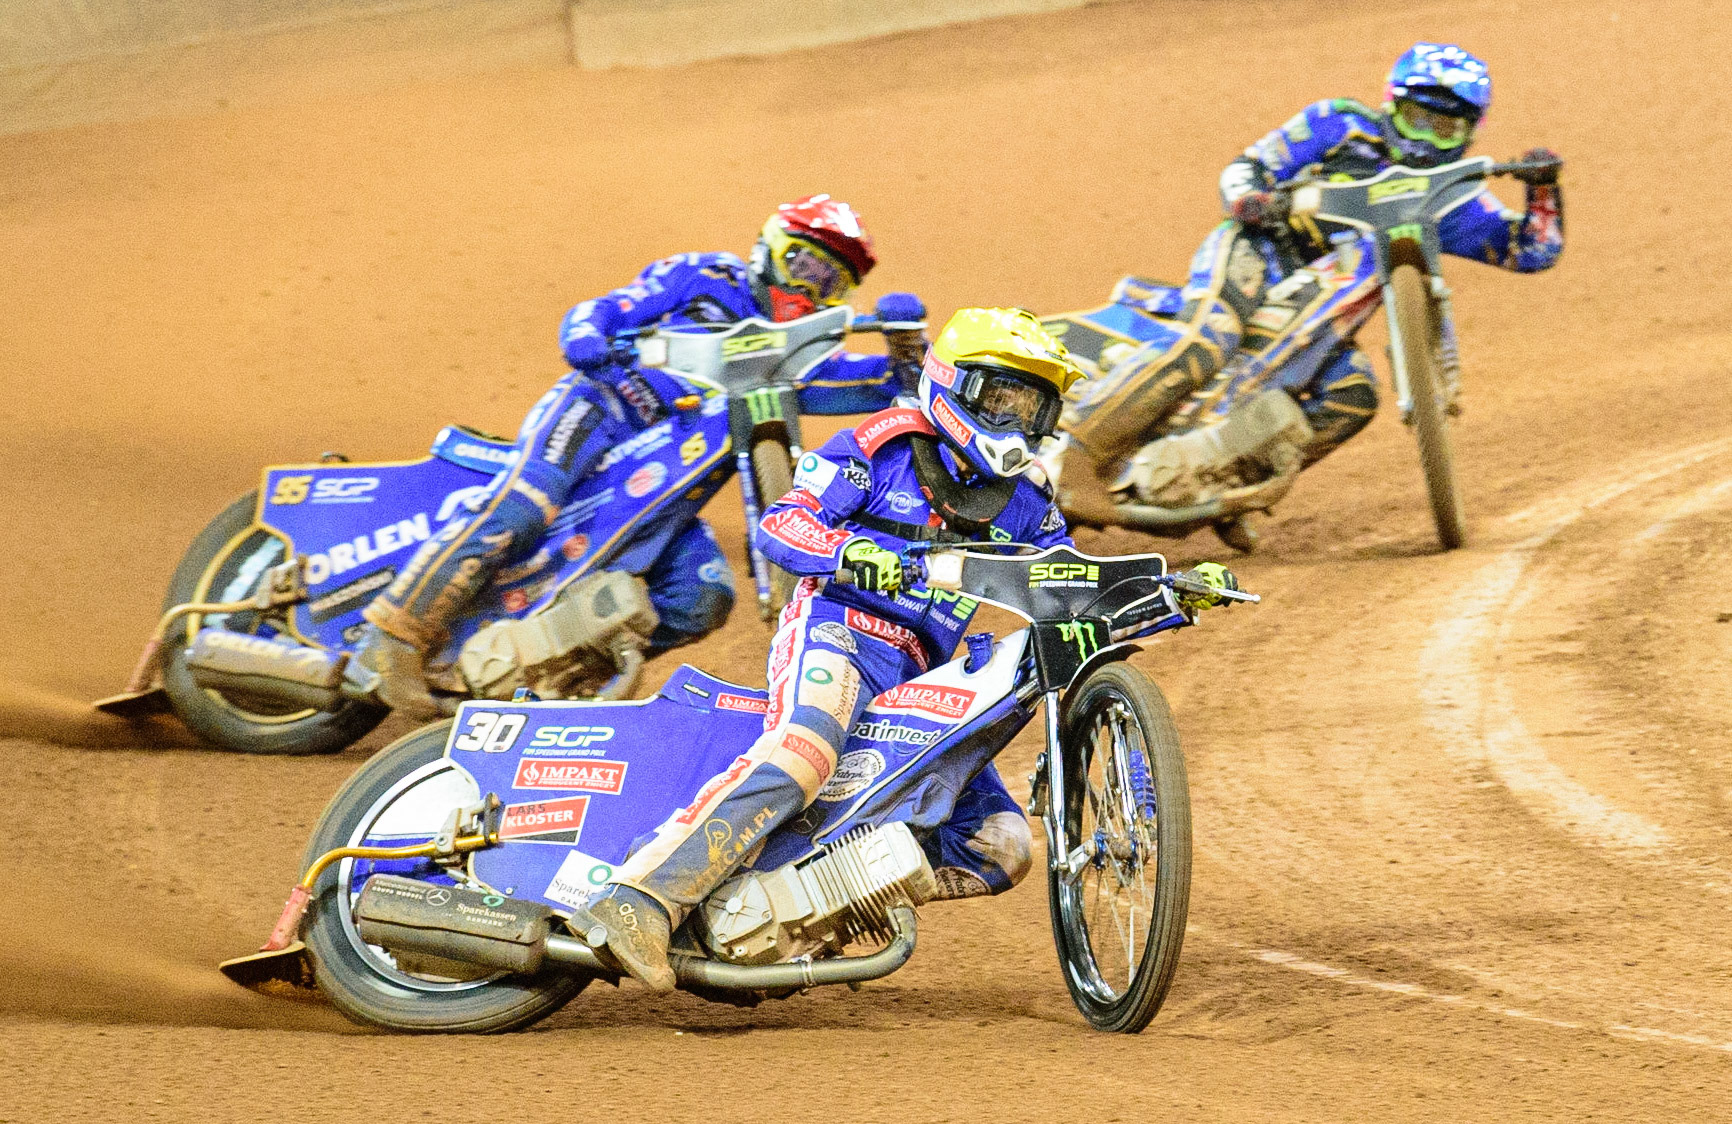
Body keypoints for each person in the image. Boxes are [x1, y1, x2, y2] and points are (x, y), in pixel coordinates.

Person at [576, 307, 1088, 991]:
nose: (1015, 418)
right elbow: (784, 524)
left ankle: (792, 914)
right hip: (838, 628)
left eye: (1032, 405)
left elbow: (1073, 582)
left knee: (1002, 843)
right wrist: (853, 551)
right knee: (806, 749)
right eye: (1001, 396)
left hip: (923, 673)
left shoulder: (1027, 500)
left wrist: (1165, 587)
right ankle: (640, 898)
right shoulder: (884, 447)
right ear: (954, 384)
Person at [353, 195, 929, 717]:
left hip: (666, 488)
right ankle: (395, 636)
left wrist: (908, 347)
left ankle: (552, 674)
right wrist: (588, 338)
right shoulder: (703, 276)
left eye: (831, 284)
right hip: (600, 411)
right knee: (523, 508)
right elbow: (603, 309)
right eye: (804, 264)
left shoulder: (790, 359)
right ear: (769, 249)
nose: (809, 288)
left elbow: (881, 386)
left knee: (702, 594)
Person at [1061, 42, 1564, 508]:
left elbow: (1533, 250)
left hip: (1325, 318)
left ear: (1470, 132)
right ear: (1391, 106)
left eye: (1447, 129)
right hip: (1260, 254)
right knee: (1210, 338)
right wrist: (1250, 200)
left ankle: (1226, 482)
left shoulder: (1455, 200)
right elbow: (1248, 166)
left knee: (1354, 395)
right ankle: (1075, 459)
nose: (1429, 142)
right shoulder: (1336, 123)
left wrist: (1542, 188)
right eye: (1417, 120)